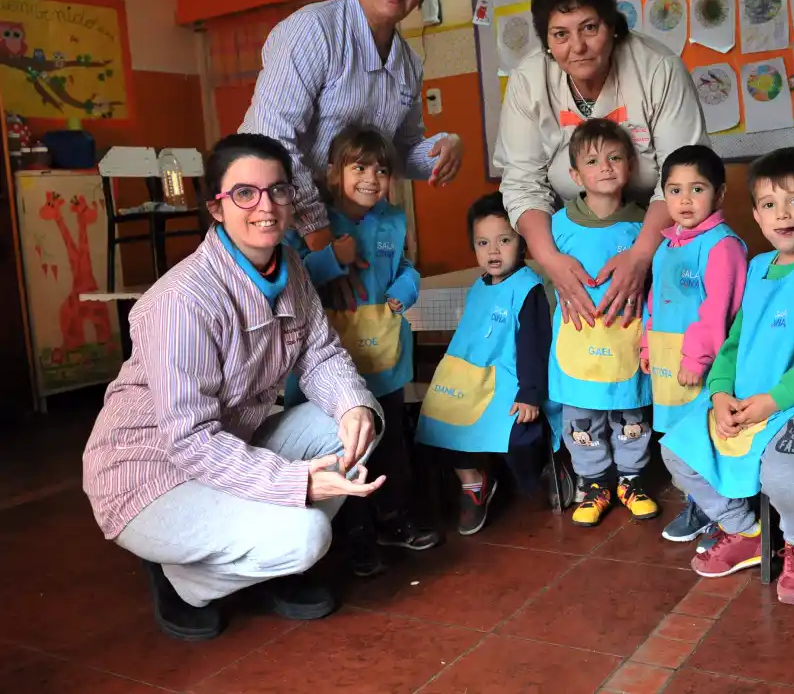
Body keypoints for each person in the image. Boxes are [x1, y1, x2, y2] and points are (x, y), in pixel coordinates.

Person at [82, 134, 385, 642]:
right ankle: (185, 578)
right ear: (216, 208)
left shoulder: (289, 272)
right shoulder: (185, 299)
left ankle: (264, 560)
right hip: (150, 476)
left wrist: (353, 405)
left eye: (277, 191)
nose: (265, 207)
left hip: (230, 448)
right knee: (310, 534)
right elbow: (191, 441)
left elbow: (322, 355)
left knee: (360, 418)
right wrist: (297, 486)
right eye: (245, 193)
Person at [661, 148, 794, 606]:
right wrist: (719, 394)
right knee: (676, 451)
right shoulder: (756, 268)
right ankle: (746, 530)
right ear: (755, 213)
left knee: (785, 477)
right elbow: (733, 342)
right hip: (742, 399)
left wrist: (772, 402)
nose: (782, 214)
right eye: (769, 204)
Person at [241, 0, 464, 310]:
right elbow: (270, 144)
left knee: (354, 339)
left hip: (342, 224)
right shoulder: (314, 31)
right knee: (278, 348)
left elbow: (400, 149)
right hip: (272, 215)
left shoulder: (409, 64)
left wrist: (444, 148)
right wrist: (320, 238)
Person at [495, 0, 707, 335]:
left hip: (662, 234)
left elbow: (683, 177)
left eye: (589, 28)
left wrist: (641, 255)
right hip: (572, 242)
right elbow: (523, 183)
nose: (577, 47)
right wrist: (551, 261)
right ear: (546, 41)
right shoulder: (528, 81)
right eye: (560, 34)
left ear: (612, 25)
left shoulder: (658, 69)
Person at [284, 125, 439, 578]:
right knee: (342, 450)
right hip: (328, 365)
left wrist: (407, 287)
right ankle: (353, 532)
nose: (371, 178)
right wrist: (333, 257)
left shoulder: (393, 220)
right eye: (359, 167)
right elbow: (295, 280)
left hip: (384, 355)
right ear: (334, 173)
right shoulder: (311, 226)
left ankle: (393, 518)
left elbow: (406, 265)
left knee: (390, 442)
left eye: (382, 169)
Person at [415, 192, 571, 535]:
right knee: (438, 424)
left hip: (512, 384)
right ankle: (473, 482)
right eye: (483, 243)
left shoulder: (528, 288)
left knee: (520, 438)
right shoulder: (478, 285)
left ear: (523, 243)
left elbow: (534, 346)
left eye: (504, 240)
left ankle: (546, 468)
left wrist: (530, 393)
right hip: (469, 380)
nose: (493, 251)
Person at [549, 118, 657, 527]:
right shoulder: (558, 225)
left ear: (630, 164)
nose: (606, 167)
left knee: (630, 412)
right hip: (578, 341)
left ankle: (631, 480)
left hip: (627, 340)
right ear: (575, 175)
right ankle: (593, 483)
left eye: (614, 158)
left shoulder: (646, 224)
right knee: (582, 416)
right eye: (593, 161)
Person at [639, 145, 748, 545]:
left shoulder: (723, 245)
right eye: (674, 190)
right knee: (675, 438)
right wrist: (648, 347)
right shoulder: (666, 246)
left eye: (697, 189)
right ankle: (700, 505)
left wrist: (697, 357)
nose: (684, 200)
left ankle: (724, 514)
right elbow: (653, 302)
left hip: (702, 365)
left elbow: (717, 310)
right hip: (667, 361)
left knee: (702, 440)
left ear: (719, 194)